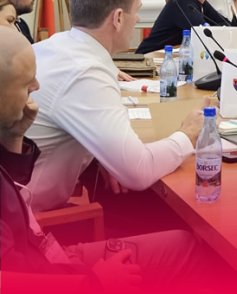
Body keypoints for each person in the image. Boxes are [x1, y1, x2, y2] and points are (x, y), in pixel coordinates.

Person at [0, 26, 217, 293]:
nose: (36, 87)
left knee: (182, 241)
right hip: (52, 275)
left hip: (44, 253)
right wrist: (90, 282)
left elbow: (11, 201)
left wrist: (13, 138)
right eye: (25, 83)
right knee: (190, 252)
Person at [26, 0, 211, 212]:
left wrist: (103, 155)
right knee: (181, 235)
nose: (137, 20)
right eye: (137, 11)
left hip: (21, 207)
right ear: (119, 18)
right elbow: (138, 172)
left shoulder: (57, 46)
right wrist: (188, 134)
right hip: (33, 225)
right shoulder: (85, 73)